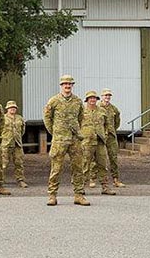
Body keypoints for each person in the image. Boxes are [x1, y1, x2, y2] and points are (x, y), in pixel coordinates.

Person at [43, 75, 88, 206]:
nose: (67, 86)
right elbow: (47, 118)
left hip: (74, 139)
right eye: (65, 84)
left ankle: (79, 195)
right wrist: (55, 132)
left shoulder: (78, 101)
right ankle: (52, 195)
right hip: (59, 140)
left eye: (69, 84)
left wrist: (77, 131)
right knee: (56, 168)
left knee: (78, 168)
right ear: (61, 86)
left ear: (72, 85)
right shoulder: (54, 101)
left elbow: (80, 118)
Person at [80, 91, 117, 196]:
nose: (92, 100)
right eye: (90, 98)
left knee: (102, 164)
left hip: (100, 141)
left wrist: (104, 134)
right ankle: (81, 187)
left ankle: (105, 187)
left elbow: (108, 124)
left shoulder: (102, 111)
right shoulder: (82, 111)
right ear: (87, 100)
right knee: (85, 164)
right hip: (87, 141)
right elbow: (76, 124)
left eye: (94, 98)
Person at [98, 89, 126, 188]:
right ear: (102, 96)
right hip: (100, 135)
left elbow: (117, 122)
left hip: (111, 136)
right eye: (105, 95)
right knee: (97, 157)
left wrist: (112, 130)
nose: (107, 97)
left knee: (113, 157)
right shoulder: (97, 108)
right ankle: (92, 179)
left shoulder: (114, 109)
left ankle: (116, 179)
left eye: (109, 95)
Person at [1, 101, 28, 188]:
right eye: (10, 107)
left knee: (19, 163)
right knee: (3, 163)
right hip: (6, 143)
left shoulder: (19, 118)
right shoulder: (2, 118)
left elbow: (22, 130)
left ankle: (20, 180)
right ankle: (0, 180)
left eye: (14, 107)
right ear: (7, 108)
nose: (12, 109)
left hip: (17, 144)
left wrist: (17, 137)